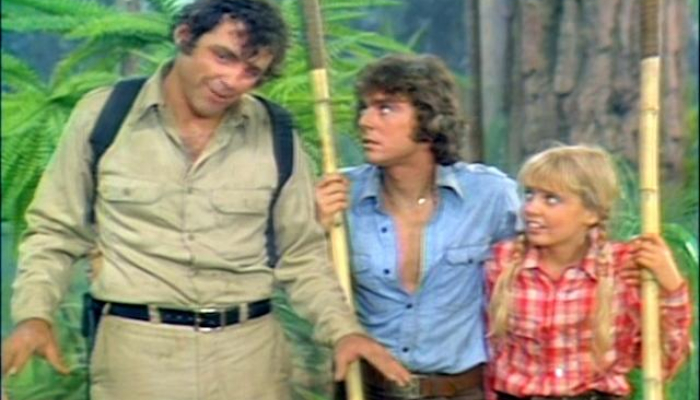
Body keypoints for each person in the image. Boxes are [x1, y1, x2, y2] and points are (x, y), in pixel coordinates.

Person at [0, 1, 411, 399]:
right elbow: (55, 232)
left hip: (249, 360)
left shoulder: (275, 133)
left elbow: (301, 254)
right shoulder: (105, 116)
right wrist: (34, 315)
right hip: (137, 358)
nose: (232, 80)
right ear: (184, 36)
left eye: (251, 71)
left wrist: (343, 331)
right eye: (223, 56)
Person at [315, 53, 521, 400]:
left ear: (429, 120)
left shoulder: (490, 195)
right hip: (367, 389)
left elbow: (544, 269)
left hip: (461, 391)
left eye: (386, 109)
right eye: (364, 108)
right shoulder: (340, 196)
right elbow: (307, 280)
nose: (365, 121)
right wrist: (316, 230)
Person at [486, 145, 691, 400]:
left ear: (591, 213)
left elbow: (662, 363)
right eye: (529, 195)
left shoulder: (622, 269)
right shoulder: (503, 263)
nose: (531, 209)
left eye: (551, 199)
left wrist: (671, 286)